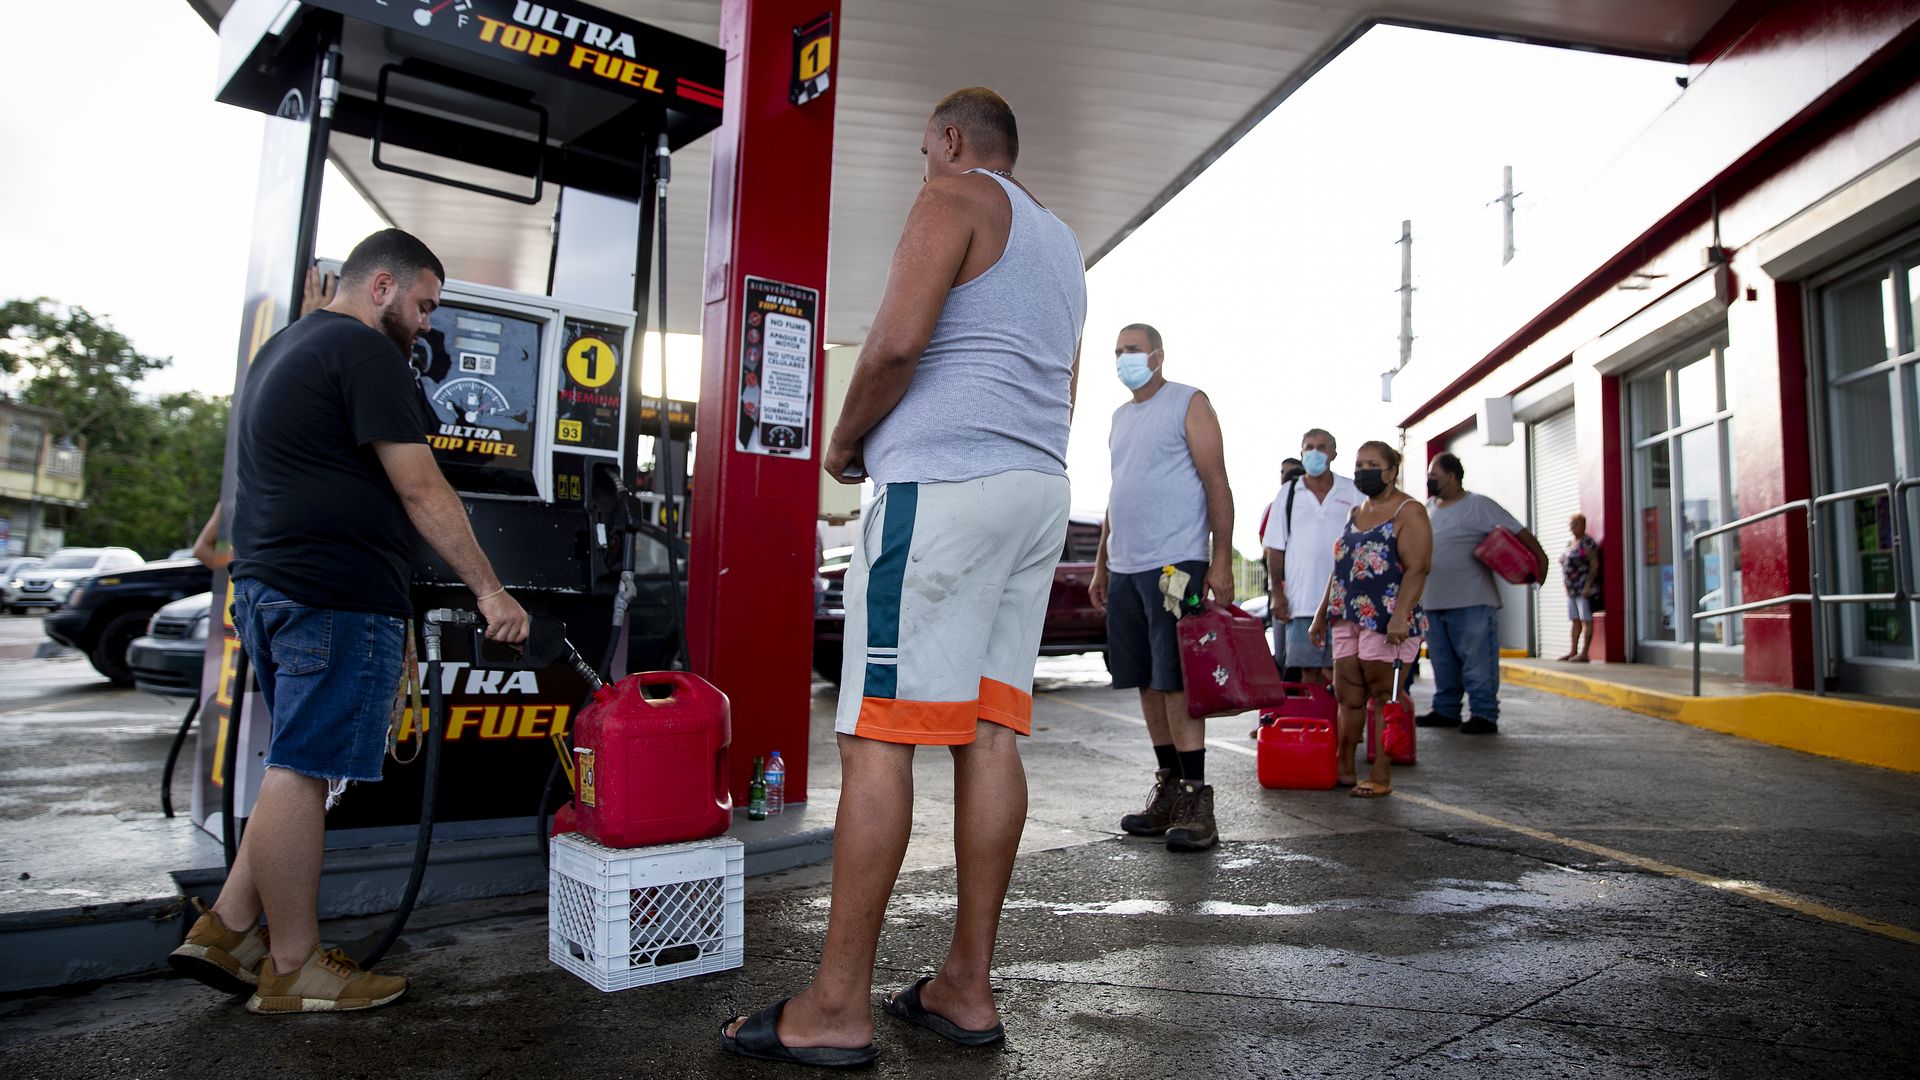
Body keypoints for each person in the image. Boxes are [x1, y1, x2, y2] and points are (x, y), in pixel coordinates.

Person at [721, 87, 1085, 1068]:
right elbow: (1062, 389)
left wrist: (845, 445)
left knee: (880, 737)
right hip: (1033, 492)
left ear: (954, 141)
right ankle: (966, 985)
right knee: (991, 735)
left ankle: (835, 1007)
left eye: (926, 154)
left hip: (944, 492)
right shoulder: (1064, 250)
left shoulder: (955, 196)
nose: (924, 172)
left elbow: (892, 344)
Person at [167, 229, 530, 1014]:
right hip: (331, 591)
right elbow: (423, 489)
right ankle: (296, 967)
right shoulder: (367, 354)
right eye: (425, 305)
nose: (428, 323)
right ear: (381, 287)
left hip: (275, 586)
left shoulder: (290, 347)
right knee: (304, 767)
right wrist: (491, 592)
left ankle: (228, 929)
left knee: (299, 759)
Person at [1088, 323, 1234, 853]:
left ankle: (1197, 796)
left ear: (1157, 355)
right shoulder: (1120, 418)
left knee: (1175, 677)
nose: (1124, 358)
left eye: (1132, 349)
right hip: (1127, 569)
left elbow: (1217, 479)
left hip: (1176, 566)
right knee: (1146, 677)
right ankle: (1169, 786)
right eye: (1118, 351)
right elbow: (1117, 493)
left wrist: (1220, 559)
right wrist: (1103, 565)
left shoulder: (1188, 402)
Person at [1309, 441, 1431, 798]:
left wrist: (1400, 616)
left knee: (1383, 695)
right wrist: (1321, 614)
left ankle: (1380, 774)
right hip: (1347, 615)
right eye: (1359, 464)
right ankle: (1343, 766)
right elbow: (1340, 568)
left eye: (1372, 464)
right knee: (1348, 695)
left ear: (1391, 471)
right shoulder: (1356, 512)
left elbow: (1419, 568)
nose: (1364, 470)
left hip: (1387, 618)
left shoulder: (1410, 512)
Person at [1419, 453, 1547, 735]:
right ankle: (1446, 709)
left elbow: (1519, 532)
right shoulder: (1428, 508)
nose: (1430, 480)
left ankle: (1484, 713)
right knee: (1441, 662)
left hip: (1472, 601)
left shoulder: (1479, 505)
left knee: (1478, 663)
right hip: (1433, 601)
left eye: (1434, 475)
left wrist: (1541, 559)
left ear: (1452, 476)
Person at [1264, 429, 1363, 687]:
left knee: (1345, 675)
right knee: (1308, 676)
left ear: (1333, 453)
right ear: (1301, 452)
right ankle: (1317, 727)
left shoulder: (1352, 491)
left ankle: (1342, 728)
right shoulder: (1288, 494)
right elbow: (1275, 548)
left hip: (1346, 603)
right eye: (1309, 447)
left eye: (1321, 447)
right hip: (1302, 603)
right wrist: (1277, 592)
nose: (1315, 453)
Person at [1561, 514, 1602, 662]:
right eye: (1571, 524)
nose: (1572, 527)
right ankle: (1573, 651)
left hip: (1583, 588)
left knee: (1586, 619)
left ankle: (1585, 653)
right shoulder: (1571, 543)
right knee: (1575, 619)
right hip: (1572, 589)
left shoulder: (1587, 543)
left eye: (1575, 524)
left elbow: (1594, 564)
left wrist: (1588, 585)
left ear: (1583, 525)